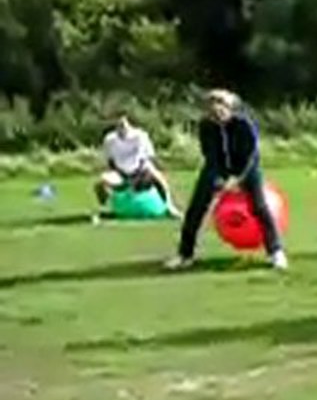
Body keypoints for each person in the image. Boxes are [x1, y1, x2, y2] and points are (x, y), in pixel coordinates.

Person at [165, 89, 287, 271]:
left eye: (222, 109)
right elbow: (210, 154)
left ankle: (276, 252)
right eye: (213, 111)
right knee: (195, 209)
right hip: (217, 169)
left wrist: (238, 180)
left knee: (260, 207)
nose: (218, 114)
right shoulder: (206, 126)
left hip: (247, 169)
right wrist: (220, 179)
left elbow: (251, 155)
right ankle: (184, 255)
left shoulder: (244, 124)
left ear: (230, 108)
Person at [94, 114, 180, 222]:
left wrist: (138, 176)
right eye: (118, 124)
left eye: (123, 123)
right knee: (100, 183)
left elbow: (147, 157)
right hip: (121, 173)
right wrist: (121, 175)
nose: (121, 127)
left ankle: (170, 207)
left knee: (159, 177)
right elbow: (110, 161)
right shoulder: (109, 139)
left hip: (140, 171)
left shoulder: (140, 136)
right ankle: (104, 209)